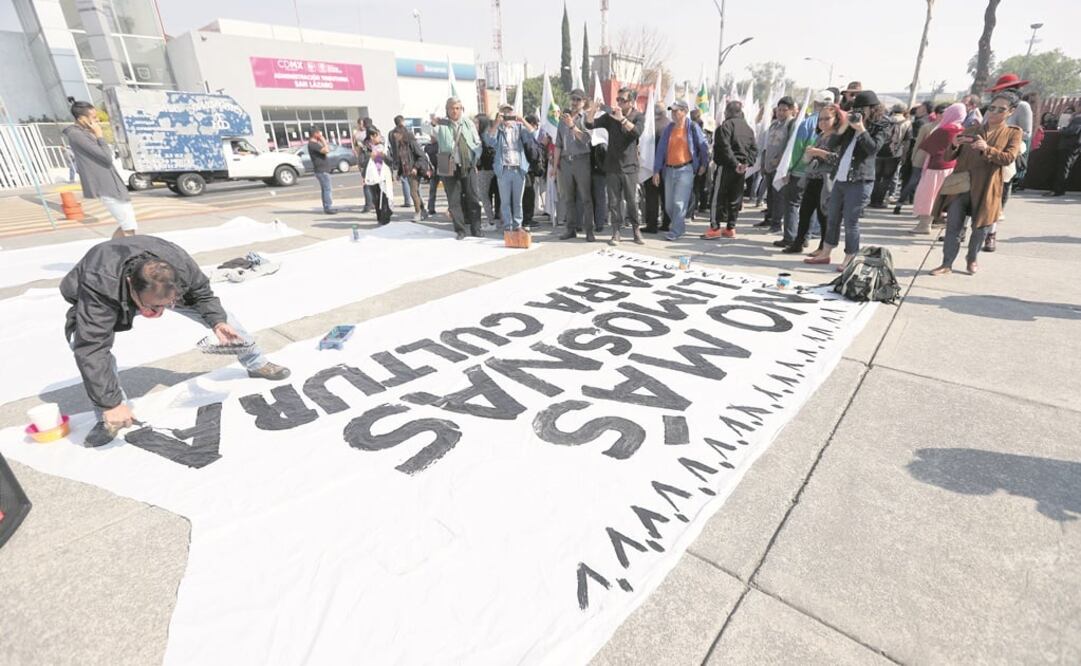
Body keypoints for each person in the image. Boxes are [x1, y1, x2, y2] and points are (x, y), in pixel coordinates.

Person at [61, 235, 290, 445]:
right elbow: (92, 349)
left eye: (167, 305)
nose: (160, 313)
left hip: (157, 287)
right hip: (107, 292)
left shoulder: (179, 266)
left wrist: (217, 322)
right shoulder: (100, 285)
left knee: (228, 320)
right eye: (153, 307)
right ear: (132, 285)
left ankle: (257, 362)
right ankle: (111, 416)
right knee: (88, 346)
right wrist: (109, 403)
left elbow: (202, 293)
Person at [928, 92, 1022, 276]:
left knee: (980, 229)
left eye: (1001, 109)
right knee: (953, 226)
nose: (994, 112)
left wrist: (987, 149)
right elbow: (948, 157)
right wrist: (954, 144)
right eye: (992, 108)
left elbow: (1008, 158)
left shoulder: (1013, 133)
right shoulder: (971, 129)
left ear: (1010, 112)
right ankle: (946, 263)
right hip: (961, 185)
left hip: (987, 187)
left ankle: (972, 259)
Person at [806, 90, 890, 269]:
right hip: (841, 177)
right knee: (832, 217)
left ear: (872, 109)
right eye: (855, 108)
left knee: (851, 221)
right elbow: (831, 144)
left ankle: (851, 256)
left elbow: (873, 149)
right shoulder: (849, 124)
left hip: (860, 179)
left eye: (862, 109)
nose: (858, 112)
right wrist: (844, 127)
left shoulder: (881, 125)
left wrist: (861, 129)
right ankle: (826, 252)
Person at [63, 101, 137, 238]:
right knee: (128, 227)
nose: (97, 120)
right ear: (82, 118)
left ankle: (115, 253)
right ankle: (121, 255)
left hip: (113, 185)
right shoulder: (76, 135)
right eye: (93, 117)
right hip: (105, 186)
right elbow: (106, 157)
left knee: (128, 225)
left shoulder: (85, 133)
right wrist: (99, 136)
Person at [586, 86, 646, 245]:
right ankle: (616, 232)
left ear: (631, 102)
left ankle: (635, 229)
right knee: (614, 202)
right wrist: (593, 110)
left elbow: (636, 133)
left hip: (630, 166)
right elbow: (589, 124)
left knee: (632, 201)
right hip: (612, 166)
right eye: (617, 99)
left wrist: (622, 119)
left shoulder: (638, 116)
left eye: (622, 100)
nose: (618, 103)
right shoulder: (610, 117)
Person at [774, 91, 834, 248]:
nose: (823, 122)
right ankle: (804, 237)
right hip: (818, 174)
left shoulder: (807, 123)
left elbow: (797, 149)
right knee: (812, 207)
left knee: (793, 204)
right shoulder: (831, 126)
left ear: (815, 103)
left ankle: (791, 237)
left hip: (801, 172)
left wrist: (788, 168)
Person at [652, 100, 709, 241]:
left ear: (685, 111)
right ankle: (680, 226)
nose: (674, 114)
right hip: (669, 170)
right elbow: (660, 150)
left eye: (677, 111)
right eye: (672, 111)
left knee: (679, 202)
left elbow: (703, 147)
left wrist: (703, 164)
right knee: (669, 206)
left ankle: (676, 231)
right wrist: (656, 171)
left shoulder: (693, 127)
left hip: (685, 170)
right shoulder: (669, 129)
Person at [787, 103, 841, 254]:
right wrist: (810, 154)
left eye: (827, 119)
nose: (822, 122)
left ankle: (823, 246)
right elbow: (809, 158)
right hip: (812, 177)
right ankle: (798, 242)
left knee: (823, 214)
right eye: (820, 119)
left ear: (835, 119)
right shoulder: (820, 135)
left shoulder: (838, 137)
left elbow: (838, 159)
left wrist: (819, 153)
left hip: (826, 181)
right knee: (804, 212)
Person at [702, 100, 757, 239]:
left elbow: (724, 147)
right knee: (735, 199)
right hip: (741, 169)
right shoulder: (748, 129)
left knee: (717, 197)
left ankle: (714, 228)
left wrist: (735, 163)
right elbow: (754, 149)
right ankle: (730, 227)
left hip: (726, 167)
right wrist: (746, 164)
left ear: (728, 112)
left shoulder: (725, 126)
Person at [909, 103, 965, 235]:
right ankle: (936, 221)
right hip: (951, 167)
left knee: (928, 195)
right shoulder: (963, 129)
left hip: (936, 167)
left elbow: (927, 147)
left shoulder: (944, 130)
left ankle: (924, 225)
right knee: (941, 197)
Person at [432, 97, 483, 240]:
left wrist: (474, 160)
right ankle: (460, 230)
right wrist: (433, 121)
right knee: (454, 200)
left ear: (461, 109)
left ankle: (476, 228)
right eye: (451, 108)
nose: (454, 111)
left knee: (473, 198)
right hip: (447, 165)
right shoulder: (442, 124)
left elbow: (477, 142)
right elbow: (427, 128)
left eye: (457, 108)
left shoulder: (468, 123)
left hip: (468, 165)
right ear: (447, 110)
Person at [483, 104, 536, 233]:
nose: (507, 115)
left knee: (518, 201)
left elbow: (534, 134)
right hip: (504, 169)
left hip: (518, 169)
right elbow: (489, 140)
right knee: (505, 201)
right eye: (504, 112)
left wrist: (521, 119)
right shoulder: (498, 129)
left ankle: (518, 226)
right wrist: (497, 123)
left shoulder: (520, 128)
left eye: (509, 112)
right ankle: (507, 226)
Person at [555, 89, 596, 241]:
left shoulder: (586, 119)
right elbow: (558, 144)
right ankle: (570, 229)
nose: (574, 102)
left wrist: (572, 126)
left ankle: (589, 231)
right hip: (566, 162)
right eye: (572, 99)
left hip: (581, 161)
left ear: (584, 102)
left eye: (578, 99)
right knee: (568, 198)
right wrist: (554, 166)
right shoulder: (562, 120)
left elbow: (586, 139)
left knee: (586, 198)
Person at [760, 97, 797, 237]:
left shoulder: (791, 125)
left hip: (779, 168)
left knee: (778, 197)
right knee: (770, 195)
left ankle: (776, 225)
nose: (781, 113)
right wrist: (764, 162)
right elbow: (766, 145)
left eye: (784, 110)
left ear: (791, 110)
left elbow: (790, 146)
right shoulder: (774, 125)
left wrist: (780, 160)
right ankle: (769, 219)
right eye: (779, 110)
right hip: (769, 166)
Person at [893, 102, 936, 215]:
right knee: (916, 181)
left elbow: (914, 142)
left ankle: (901, 202)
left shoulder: (920, 123)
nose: (917, 109)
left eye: (921, 107)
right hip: (924, 156)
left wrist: (910, 156)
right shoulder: (929, 122)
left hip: (917, 155)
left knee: (912, 181)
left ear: (925, 109)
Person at [389, 116, 429, 221]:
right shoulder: (400, 145)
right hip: (407, 172)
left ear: (401, 134)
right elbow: (403, 161)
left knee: (413, 192)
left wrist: (416, 167)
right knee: (416, 192)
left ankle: (418, 213)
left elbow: (422, 156)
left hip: (414, 171)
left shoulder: (411, 143)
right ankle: (423, 211)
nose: (395, 137)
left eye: (396, 135)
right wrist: (399, 173)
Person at [869, 104, 910, 209]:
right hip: (894, 154)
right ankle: (880, 201)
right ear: (904, 111)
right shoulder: (907, 122)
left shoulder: (884, 119)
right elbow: (907, 142)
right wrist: (904, 156)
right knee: (887, 178)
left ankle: (873, 200)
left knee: (876, 177)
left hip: (879, 152)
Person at [642, 103, 671, 233]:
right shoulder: (670, 124)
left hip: (652, 165)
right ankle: (666, 223)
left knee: (652, 197)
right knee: (666, 197)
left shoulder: (651, 126)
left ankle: (652, 224)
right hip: (668, 167)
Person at [363, 128, 395, 224]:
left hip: (383, 176)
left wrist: (383, 156)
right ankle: (380, 218)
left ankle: (385, 219)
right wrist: (371, 157)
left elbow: (390, 161)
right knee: (376, 199)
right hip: (373, 177)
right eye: (378, 135)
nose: (380, 137)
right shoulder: (366, 148)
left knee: (385, 197)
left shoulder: (383, 147)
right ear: (372, 137)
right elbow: (361, 163)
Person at [1047, 112, 1081, 197]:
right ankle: (1060, 190)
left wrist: (1061, 130)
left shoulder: (1078, 118)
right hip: (1074, 146)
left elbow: (1072, 131)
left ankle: (1058, 190)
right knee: (1066, 168)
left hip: (1068, 146)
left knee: (1063, 168)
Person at [307, 130, 337, 215]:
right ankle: (328, 207)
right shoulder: (313, 144)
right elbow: (326, 150)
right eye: (319, 133)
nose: (321, 135)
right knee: (327, 189)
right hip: (321, 170)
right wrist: (323, 141)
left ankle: (327, 206)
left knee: (325, 189)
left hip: (322, 170)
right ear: (315, 134)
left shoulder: (314, 144)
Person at [354, 118, 375, 213]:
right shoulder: (374, 131)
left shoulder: (360, 135)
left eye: (362, 124)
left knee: (366, 183)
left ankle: (368, 205)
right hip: (372, 160)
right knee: (373, 182)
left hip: (366, 160)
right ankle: (374, 203)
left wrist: (360, 162)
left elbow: (359, 149)